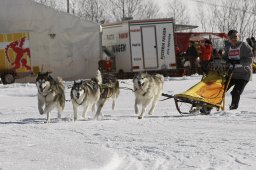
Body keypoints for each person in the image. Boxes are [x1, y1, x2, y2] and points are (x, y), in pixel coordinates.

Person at [222, 30, 253, 110]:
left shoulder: (244, 45)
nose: (233, 39)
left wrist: (237, 62)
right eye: (231, 38)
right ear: (228, 39)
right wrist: (226, 62)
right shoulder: (228, 47)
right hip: (232, 74)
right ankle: (209, 107)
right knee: (220, 89)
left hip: (243, 75)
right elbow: (224, 58)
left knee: (236, 92)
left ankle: (233, 108)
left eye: (235, 37)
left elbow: (250, 60)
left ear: (238, 36)